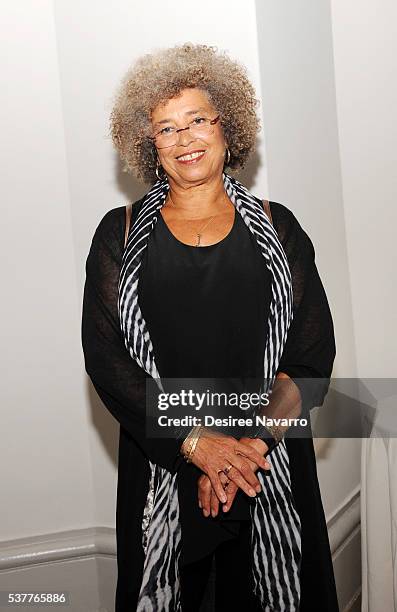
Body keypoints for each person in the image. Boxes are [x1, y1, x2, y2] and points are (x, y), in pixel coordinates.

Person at [81, 43, 339, 611]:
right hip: (162, 468)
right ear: (149, 145)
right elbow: (108, 364)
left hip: (267, 464)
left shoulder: (279, 226)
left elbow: (313, 356)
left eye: (198, 119)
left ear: (228, 125)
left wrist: (241, 452)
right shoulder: (116, 235)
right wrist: (196, 444)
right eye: (166, 129)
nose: (185, 139)